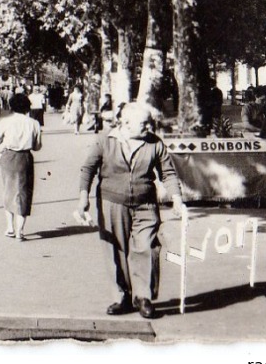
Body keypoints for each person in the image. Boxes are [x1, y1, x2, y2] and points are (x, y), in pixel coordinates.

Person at [76, 100, 186, 320]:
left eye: (149, 123)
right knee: (117, 250)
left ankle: (143, 296)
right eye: (144, 124)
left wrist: (177, 199)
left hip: (145, 204)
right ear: (125, 123)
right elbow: (88, 169)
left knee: (146, 246)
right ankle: (122, 296)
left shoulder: (154, 144)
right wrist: (83, 200)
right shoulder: (104, 140)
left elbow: (168, 173)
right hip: (111, 202)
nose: (149, 128)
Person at [0, 91, 43, 240]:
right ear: (28, 107)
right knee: (23, 193)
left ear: (12, 106)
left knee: (8, 191)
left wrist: (3, 145)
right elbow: (37, 146)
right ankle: (20, 231)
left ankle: (10, 228)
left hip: (8, 157)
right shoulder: (34, 123)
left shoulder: (5, 122)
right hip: (25, 158)